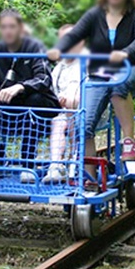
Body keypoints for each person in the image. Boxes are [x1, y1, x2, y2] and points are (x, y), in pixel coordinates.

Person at [48, 0, 135, 185]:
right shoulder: (95, 15)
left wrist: (126, 53)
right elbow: (75, 34)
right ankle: (89, 178)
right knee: (83, 125)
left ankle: (128, 141)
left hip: (129, 68)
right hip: (99, 75)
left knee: (119, 84)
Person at [0, 9, 60, 180]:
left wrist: (20, 87)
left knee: (34, 100)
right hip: (7, 107)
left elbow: (44, 78)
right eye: (4, 27)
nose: (8, 31)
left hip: (38, 106)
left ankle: (28, 164)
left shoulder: (34, 47)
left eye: (12, 27)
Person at [46, 24, 85, 183]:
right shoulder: (59, 67)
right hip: (61, 110)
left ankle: (59, 164)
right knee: (59, 118)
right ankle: (58, 164)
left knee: (62, 119)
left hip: (82, 110)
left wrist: (70, 100)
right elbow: (49, 89)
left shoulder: (87, 62)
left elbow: (89, 90)